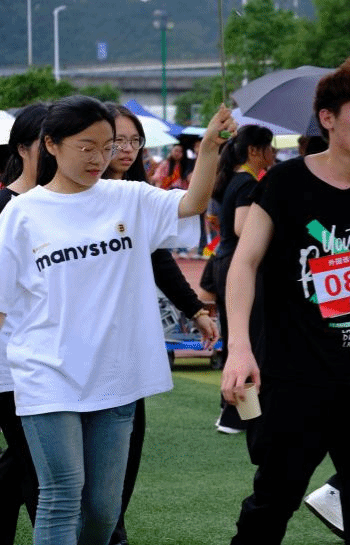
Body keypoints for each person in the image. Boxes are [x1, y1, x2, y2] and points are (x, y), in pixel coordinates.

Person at [0, 95, 232, 545]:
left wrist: (208, 149)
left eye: (107, 147)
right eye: (86, 147)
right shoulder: (21, 214)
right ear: (51, 144)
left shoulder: (129, 198)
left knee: (104, 509)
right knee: (61, 495)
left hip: (116, 374)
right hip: (47, 372)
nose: (99, 158)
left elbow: (192, 203)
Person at [220, 58, 350, 545]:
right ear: (328, 118)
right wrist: (239, 348)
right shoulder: (284, 184)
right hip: (296, 375)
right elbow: (243, 264)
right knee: (273, 501)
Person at [102, 103, 221, 545]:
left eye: (134, 141)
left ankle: (114, 531)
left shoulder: (137, 196)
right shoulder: (49, 202)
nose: (126, 149)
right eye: (117, 140)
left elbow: (161, 256)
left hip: (126, 347)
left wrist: (196, 310)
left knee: (125, 445)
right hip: (71, 351)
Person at [0, 103, 48, 545]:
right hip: (10, 363)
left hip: (53, 359)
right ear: (23, 148)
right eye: (45, 142)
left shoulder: (67, 205)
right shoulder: (6, 206)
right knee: (38, 466)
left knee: (30, 463)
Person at [211, 125, 276, 435]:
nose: (273, 153)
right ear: (254, 151)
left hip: (225, 263)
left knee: (237, 338)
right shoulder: (247, 182)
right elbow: (242, 227)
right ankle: (237, 416)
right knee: (249, 338)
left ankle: (232, 410)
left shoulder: (236, 179)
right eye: (269, 147)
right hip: (237, 266)